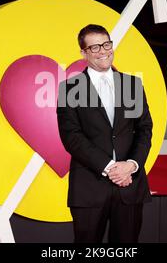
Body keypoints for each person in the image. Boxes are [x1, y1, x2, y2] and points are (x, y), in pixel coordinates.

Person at [56, 24, 153, 243]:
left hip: (130, 186)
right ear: (83, 53)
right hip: (89, 188)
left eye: (106, 44)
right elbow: (72, 137)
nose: (103, 51)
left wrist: (131, 165)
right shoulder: (70, 89)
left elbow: (144, 129)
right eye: (95, 47)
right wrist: (110, 168)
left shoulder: (132, 85)